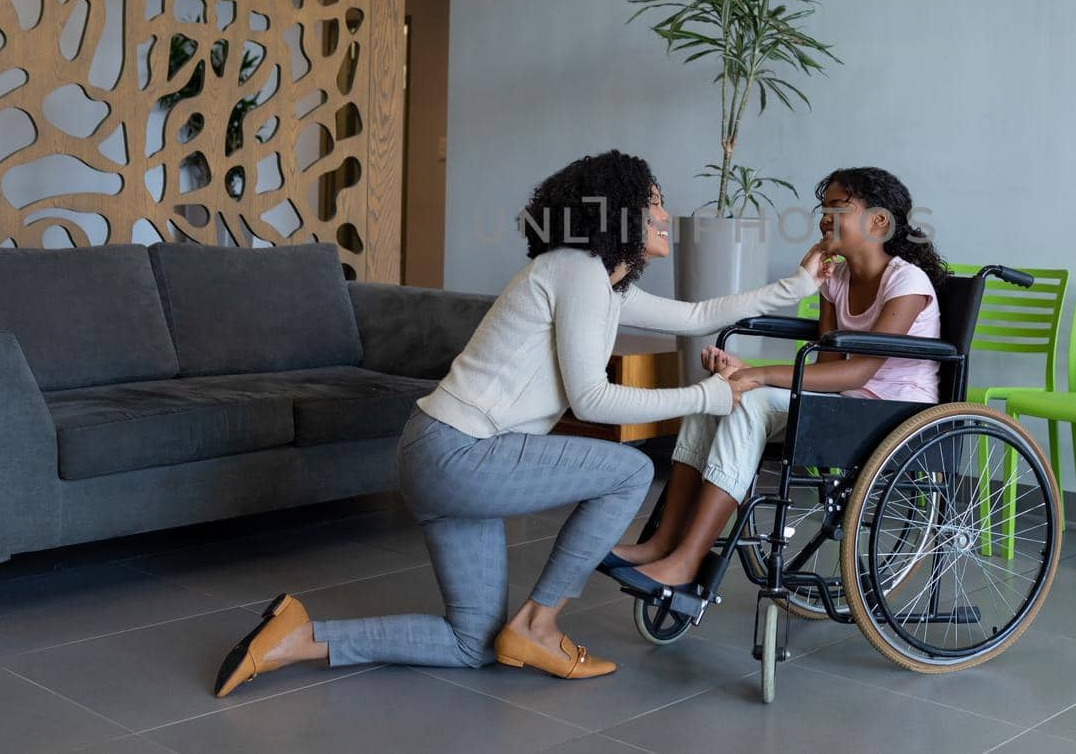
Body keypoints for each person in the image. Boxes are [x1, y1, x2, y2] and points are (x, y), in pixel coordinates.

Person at [212, 150, 832, 693]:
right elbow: (593, 401)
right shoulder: (577, 271)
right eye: (655, 203)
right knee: (627, 472)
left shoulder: (598, 282)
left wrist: (797, 283)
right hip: (460, 455)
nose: (666, 216)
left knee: (472, 643)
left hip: (438, 453)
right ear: (618, 213)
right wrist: (705, 398)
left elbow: (699, 311)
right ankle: (540, 622)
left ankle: (295, 639)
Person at [608, 166, 947, 588]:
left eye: (839, 208)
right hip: (841, 403)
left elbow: (862, 369)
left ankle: (687, 561)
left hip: (891, 413)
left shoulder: (906, 281)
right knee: (717, 396)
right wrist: (742, 374)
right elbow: (825, 366)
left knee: (747, 399)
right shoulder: (835, 279)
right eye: (823, 208)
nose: (825, 217)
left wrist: (757, 375)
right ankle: (663, 543)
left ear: (879, 221)